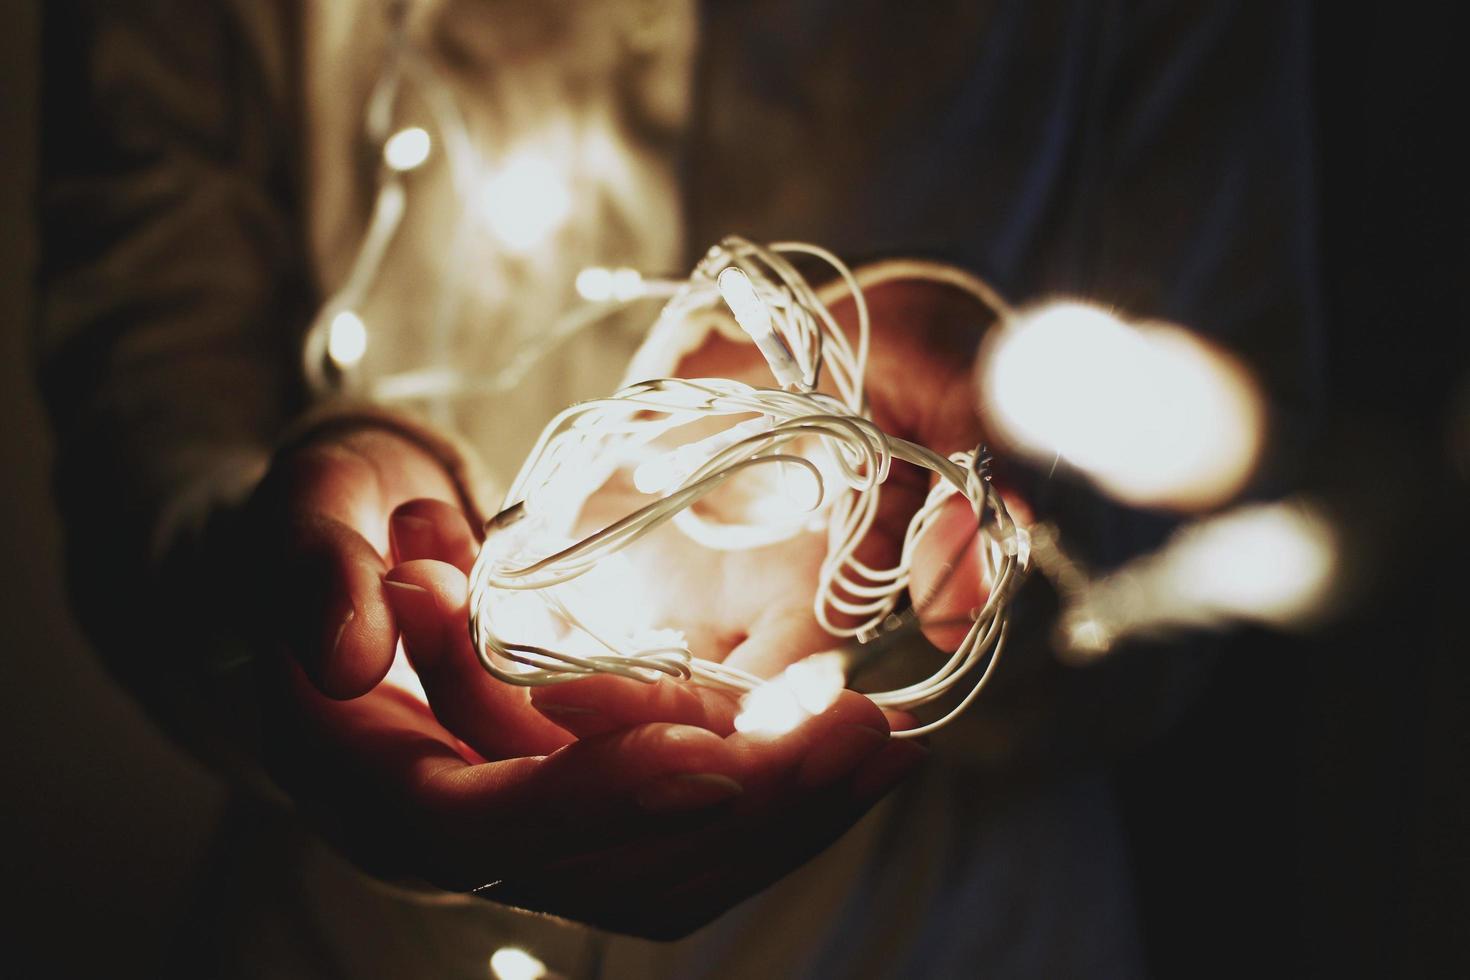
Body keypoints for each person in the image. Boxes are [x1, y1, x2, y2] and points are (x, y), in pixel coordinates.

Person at [36, 1, 1320, 976]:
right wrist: (272, 590)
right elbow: (145, 380)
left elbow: (1210, 514)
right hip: (340, 934)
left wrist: (970, 510)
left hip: (930, 931)